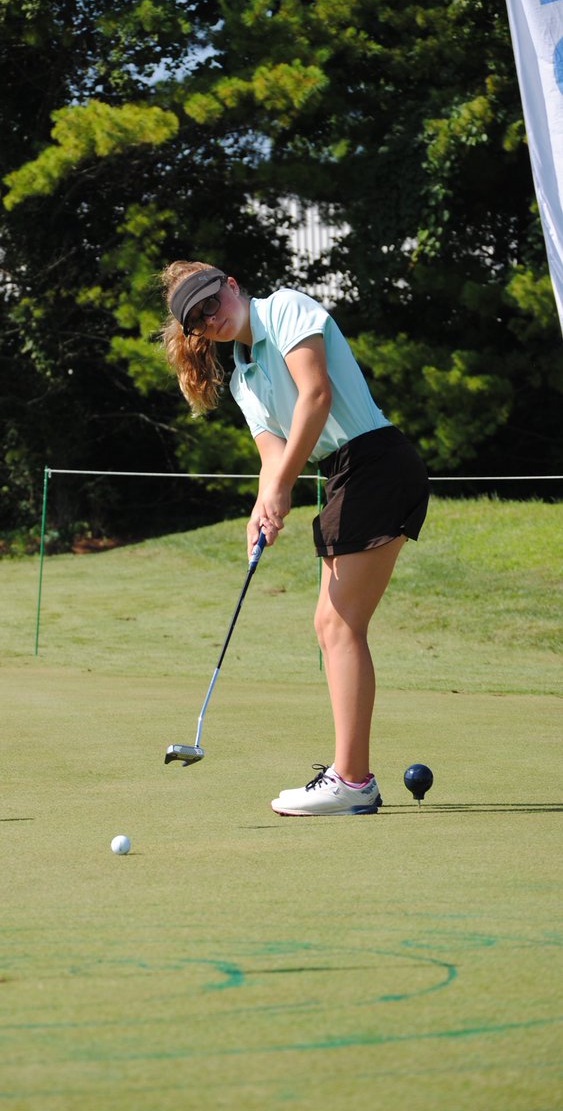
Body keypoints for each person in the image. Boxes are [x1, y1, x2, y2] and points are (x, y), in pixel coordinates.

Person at [161, 261, 429, 816]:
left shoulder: (285, 308)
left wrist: (283, 486)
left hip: (376, 460)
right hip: (345, 472)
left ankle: (353, 782)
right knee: (333, 623)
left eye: (212, 302)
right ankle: (353, 780)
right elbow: (272, 455)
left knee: (337, 623)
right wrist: (264, 505)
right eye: (197, 320)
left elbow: (316, 395)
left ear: (230, 285)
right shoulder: (241, 376)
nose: (211, 319)